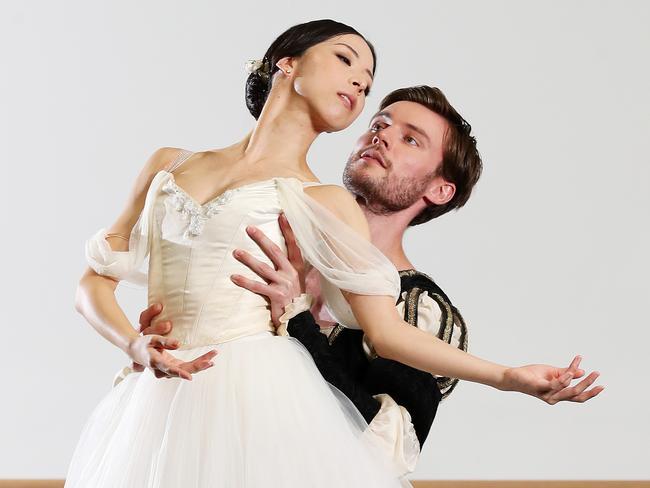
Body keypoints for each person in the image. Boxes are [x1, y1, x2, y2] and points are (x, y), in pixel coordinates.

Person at [68, 19, 601, 487]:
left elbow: (387, 333)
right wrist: (134, 344)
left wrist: (508, 377)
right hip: (154, 397)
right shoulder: (169, 162)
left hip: (261, 398)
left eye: (367, 84)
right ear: (287, 63)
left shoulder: (322, 201)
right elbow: (93, 282)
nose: (359, 84)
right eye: (346, 60)